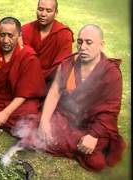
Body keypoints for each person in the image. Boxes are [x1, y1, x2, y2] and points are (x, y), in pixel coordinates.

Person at [13, 24, 125, 171]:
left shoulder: (111, 73)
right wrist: (45, 122)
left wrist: (94, 136)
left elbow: (110, 111)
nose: (83, 47)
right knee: (36, 128)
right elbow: (54, 93)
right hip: (67, 117)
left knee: (96, 161)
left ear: (101, 45)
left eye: (89, 42)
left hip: (93, 124)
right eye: (80, 42)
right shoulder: (68, 63)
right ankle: (59, 140)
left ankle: (64, 142)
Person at [21, 0, 73, 91]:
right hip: (25, 80)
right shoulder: (25, 30)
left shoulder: (64, 34)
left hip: (51, 83)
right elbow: (19, 61)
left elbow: (62, 67)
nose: (43, 14)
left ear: (56, 13)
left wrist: (37, 78)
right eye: (40, 9)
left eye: (48, 11)